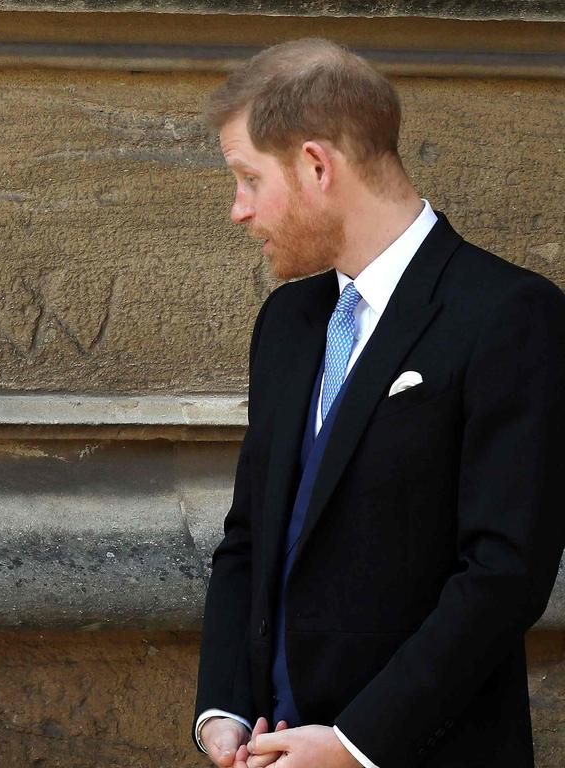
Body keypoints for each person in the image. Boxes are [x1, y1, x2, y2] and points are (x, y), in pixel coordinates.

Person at [193, 38, 565, 768]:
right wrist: (224, 706)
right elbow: (250, 537)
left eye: (247, 178)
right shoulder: (288, 324)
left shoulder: (509, 315)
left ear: (316, 165)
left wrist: (355, 745)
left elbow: (503, 575)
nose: (238, 211)